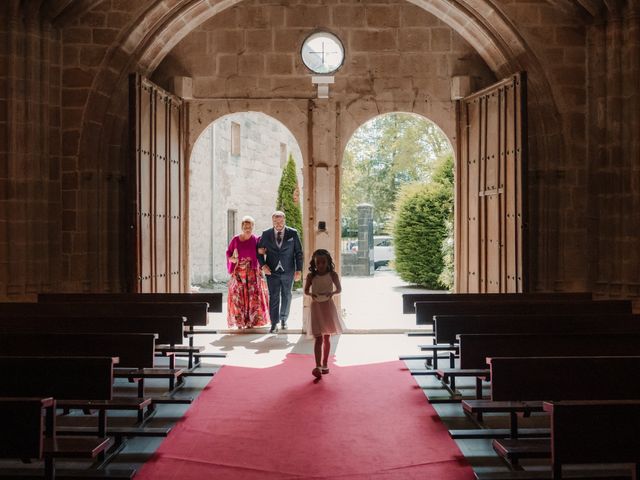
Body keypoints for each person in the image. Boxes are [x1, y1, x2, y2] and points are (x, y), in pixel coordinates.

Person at [257, 211, 303, 333]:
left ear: (284, 220)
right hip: (272, 271)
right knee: (274, 296)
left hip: (288, 270)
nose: (278, 224)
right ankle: (274, 323)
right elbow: (259, 252)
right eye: (276, 221)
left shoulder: (293, 233)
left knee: (287, 295)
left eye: (281, 221)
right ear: (272, 221)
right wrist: (263, 266)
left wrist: (299, 270)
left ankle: (283, 319)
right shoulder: (266, 234)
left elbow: (298, 253)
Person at [303, 249, 343, 379]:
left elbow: (339, 289)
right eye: (318, 263)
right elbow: (306, 291)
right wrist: (311, 294)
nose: (320, 265)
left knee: (326, 336)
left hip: (327, 306)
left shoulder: (333, 275)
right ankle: (318, 366)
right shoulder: (311, 276)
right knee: (318, 337)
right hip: (316, 307)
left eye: (323, 262)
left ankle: (325, 363)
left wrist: (332, 293)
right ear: (314, 263)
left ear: (328, 262)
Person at [225, 216, 270, 329]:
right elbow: (229, 254)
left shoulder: (256, 240)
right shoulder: (235, 240)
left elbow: (261, 253)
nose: (247, 229)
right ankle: (240, 322)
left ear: (253, 227)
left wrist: (263, 252)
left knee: (253, 298)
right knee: (237, 297)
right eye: (245, 227)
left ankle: (251, 321)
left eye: (250, 227)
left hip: (252, 273)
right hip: (239, 273)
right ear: (242, 227)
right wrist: (232, 259)